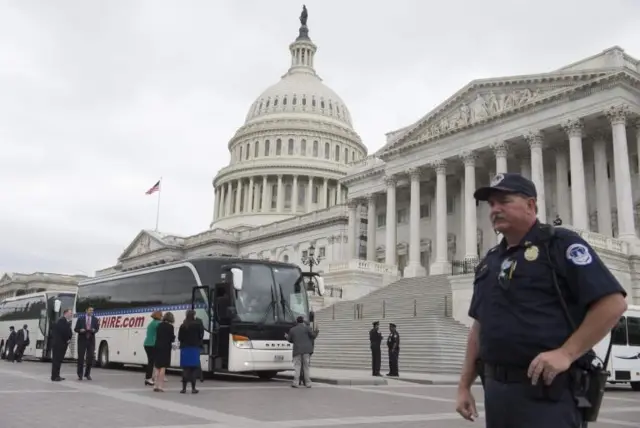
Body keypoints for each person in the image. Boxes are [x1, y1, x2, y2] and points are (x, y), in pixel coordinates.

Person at [455, 172, 628, 428]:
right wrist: (464, 385)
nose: (495, 209)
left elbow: (613, 304)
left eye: (504, 200)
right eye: (491, 204)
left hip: (549, 395)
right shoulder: (490, 262)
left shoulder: (559, 244)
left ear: (531, 205)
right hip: (498, 393)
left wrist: (566, 353)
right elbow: (479, 326)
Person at [286, 315, 318, 388]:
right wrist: (316, 331)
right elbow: (313, 336)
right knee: (306, 367)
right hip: (306, 351)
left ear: (297, 321)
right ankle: (308, 383)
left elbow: (290, 340)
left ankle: (295, 383)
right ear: (302, 321)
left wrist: (286, 336)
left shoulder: (292, 329)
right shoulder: (307, 328)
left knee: (297, 367)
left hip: (297, 350)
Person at [178, 310, 204, 394]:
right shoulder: (197, 325)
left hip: (185, 348)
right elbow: (201, 335)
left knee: (185, 368)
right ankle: (193, 388)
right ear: (194, 315)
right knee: (193, 369)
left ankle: (184, 388)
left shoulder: (183, 325)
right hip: (194, 348)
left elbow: (179, 338)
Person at [74, 307, 99, 380]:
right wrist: (80, 330)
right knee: (81, 358)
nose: (91, 312)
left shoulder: (95, 319)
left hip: (91, 340)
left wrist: (94, 330)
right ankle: (80, 374)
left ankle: (87, 374)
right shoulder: (80, 319)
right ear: (86, 310)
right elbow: (75, 329)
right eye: (90, 310)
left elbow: (97, 328)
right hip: (82, 339)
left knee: (90, 357)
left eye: (92, 310)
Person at [153, 312, 175, 392]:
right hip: (165, 347)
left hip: (157, 346)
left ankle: (155, 385)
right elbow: (172, 338)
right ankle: (161, 386)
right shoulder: (170, 327)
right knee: (163, 367)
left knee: (157, 366)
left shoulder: (159, 325)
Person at [51, 309, 73, 381]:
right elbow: (63, 331)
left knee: (59, 360)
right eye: (70, 313)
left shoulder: (65, 321)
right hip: (59, 344)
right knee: (57, 360)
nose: (71, 314)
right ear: (66, 313)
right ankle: (54, 376)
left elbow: (68, 331)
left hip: (61, 344)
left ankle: (57, 375)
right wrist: (68, 339)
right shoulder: (61, 321)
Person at [143, 310, 162, 386]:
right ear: (158, 316)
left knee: (151, 361)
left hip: (147, 344)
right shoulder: (157, 324)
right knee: (152, 362)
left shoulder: (151, 323)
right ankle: (148, 378)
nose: (162, 317)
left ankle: (150, 377)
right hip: (152, 344)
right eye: (161, 315)